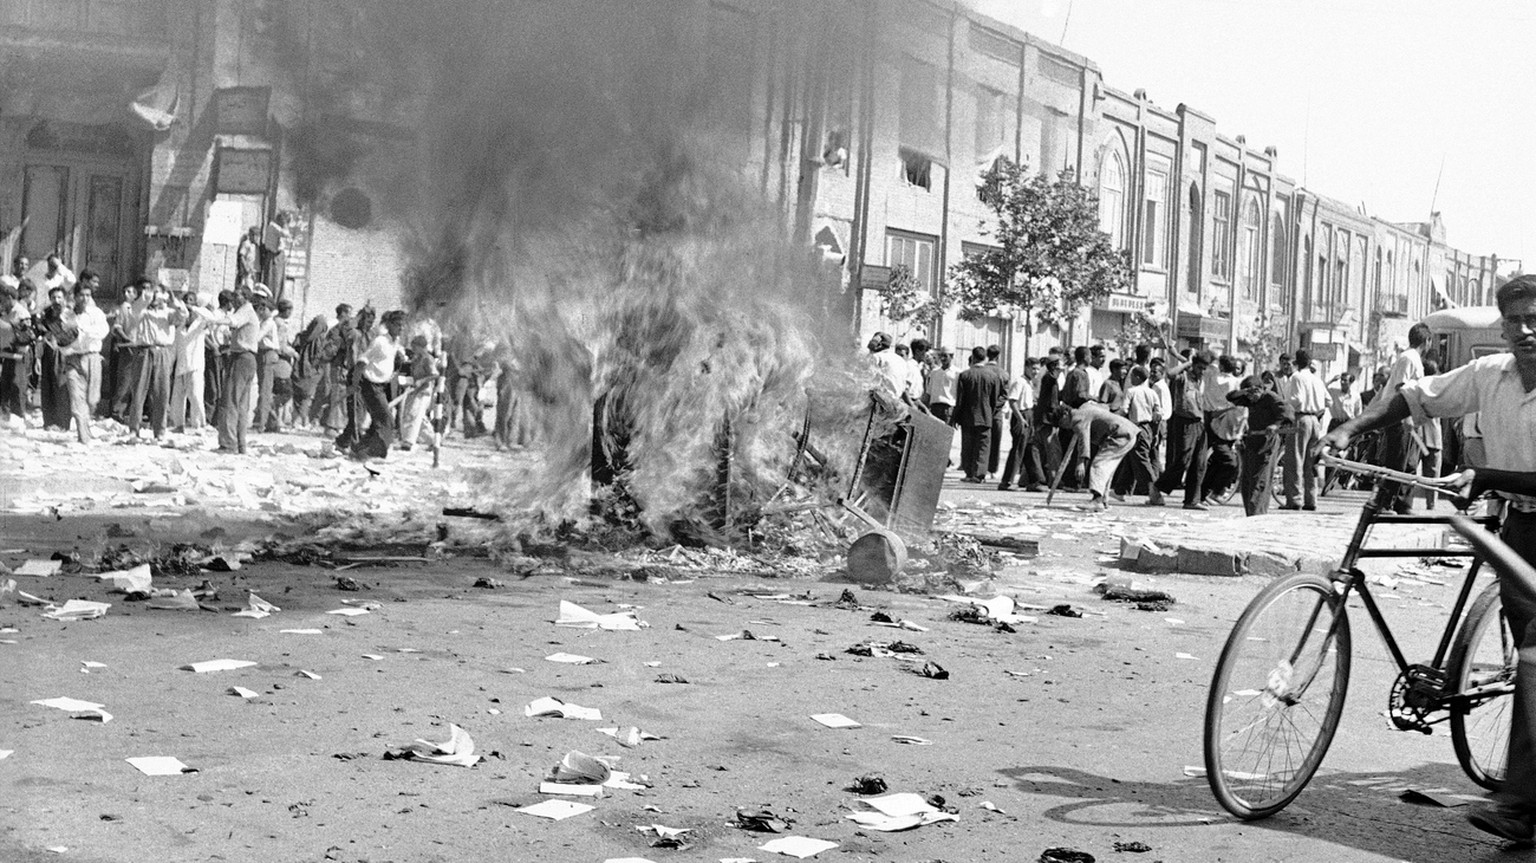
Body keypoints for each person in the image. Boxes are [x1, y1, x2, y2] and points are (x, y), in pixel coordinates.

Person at [1321, 275, 1536, 842]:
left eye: (1535, 317)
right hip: (1519, 528)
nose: (1526, 330)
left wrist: (1483, 474)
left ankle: (1520, 808)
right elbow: (1416, 397)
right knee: (1533, 662)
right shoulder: (1491, 375)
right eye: (1514, 319)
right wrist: (1351, 427)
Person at [197, 288, 260, 454]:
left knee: (229, 401)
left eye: (238, 295)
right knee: (241, 404)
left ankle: (228, 443)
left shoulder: (245, 311)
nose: (235, 298)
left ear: (245, 297)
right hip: (247, 358)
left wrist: (214, 319)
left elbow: (233, 322)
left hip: (241, 357)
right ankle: (240, 443)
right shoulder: (246, 311)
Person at [1377, 323, 1431, 513]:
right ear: (1427, 341)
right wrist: (1407, 417)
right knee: (1396, 461)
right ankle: (1384, 502)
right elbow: (1402, 387)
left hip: (1409, 418)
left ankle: (1403, 503)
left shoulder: (1413, 358)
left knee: (1409, 463)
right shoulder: (1408, 358)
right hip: (1400, 418)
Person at [1227, 372, 1294, 516]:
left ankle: (1257, 514)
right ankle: (1250, 513)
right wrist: (1245, 391)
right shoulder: (1250, 399)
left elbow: (1287, 413)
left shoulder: (1270, 397)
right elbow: (1231, 397)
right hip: (1252, 441)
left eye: (1254, 393)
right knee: (1248, 480)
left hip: (1267, 442)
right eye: (1248, 395)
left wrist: (1276, 425)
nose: (1251, 398)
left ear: (1261, 389)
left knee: (1260, 479)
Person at [123, 282, 183, 443]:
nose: (155, 296)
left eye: (158, 293)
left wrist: (173, 300)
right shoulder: (142, 309)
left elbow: (182, 316)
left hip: (163, 352)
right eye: (153, 293)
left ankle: (159, 430)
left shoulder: (168, 313)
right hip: (144, 350)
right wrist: (147, 297)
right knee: (139, 391)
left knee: (161, 392)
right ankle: (134, 429)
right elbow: (135, 312)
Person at [1153, 350, 1211, 510]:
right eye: (1199, 368)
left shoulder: (1201, 380)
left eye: (1204, 368)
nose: (1202, 371)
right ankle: (1158, 486)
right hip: (1184, 421)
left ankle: (1192, 500)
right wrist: (1187, 362)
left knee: (1199, 463)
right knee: (1183, 459)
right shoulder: (1183, 377)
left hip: (1199, 422)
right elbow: (1169, 374)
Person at [1059, 403, 1141, 511]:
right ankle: (1104, 499)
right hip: (1129, 432)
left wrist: (1081, 462)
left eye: (1062, 423)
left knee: (1099, 464)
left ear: (1065, 414)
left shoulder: (1077, 418)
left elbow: (1084, 440)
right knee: (1108, 467)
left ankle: (1097, 500)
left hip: (1120, 434)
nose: (1065, 427)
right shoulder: (1085, 407)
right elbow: (1104, 408)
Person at [351, 310, 407, 459]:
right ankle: (374, 452)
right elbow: (362, 361)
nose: (400, 328)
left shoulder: (395, 342)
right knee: (387, 419)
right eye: (397, 325)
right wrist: (354, 383)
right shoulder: (380, 341)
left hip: (382, 386)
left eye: (402, 326)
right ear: (389, 325)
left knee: (378, 420)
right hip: (370, 385)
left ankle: (360, 448)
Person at [1280, 348, 1331, 511]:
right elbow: (1328, 401)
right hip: (1315, 420)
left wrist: (1285, 409)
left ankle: (1294, 499)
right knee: (1311, 461)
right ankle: (1311, 498)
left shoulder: (1297, 377)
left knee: (1295, 459)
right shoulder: (1317, 379)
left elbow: (1296, 399)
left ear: (1296, 361)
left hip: (1300, 418)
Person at [1110, 365, 1164, 506]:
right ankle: (1120, 490)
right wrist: (1156, 432)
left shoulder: (1131, 391)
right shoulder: (1152, 393)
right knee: (1130, 459)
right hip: (1148, 428)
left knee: (1141, 459)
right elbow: (1158, 413)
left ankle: (1155, 492)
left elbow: (1124, 410)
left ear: (1137, 377)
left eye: (1132, 376)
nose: (1130, 379)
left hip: (1136, 427)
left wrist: (1111, 417)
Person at [953, 346, 1003, 483]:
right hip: (986, 415)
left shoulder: (964, 375)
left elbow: (960, 399)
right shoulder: (993, 376)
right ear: (985, 357)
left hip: (968, 416)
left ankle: (969, 473)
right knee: (983, 446)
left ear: (973, 357)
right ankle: (979, 474)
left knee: (968, 445)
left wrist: (956, 417)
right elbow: (995, 398)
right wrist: (990, 412)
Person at [1200, 354, 1244, 505]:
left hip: (1212, 418)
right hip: (1225, 424)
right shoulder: (1235, 383)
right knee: (1228, 461)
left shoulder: (1212, 378)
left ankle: (1204, 492)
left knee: (1217, 461)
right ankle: (1216, 491)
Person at [997, 356, 1046, 492]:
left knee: (1030, 449)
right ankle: (1006, 482)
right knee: (1018, 449)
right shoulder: (1019, 382)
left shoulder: (1029, 383)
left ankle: (1036, 480)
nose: (1035, 372)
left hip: (1029, 415)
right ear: (1026, 368)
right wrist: (1020, 419)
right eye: (1033, 369)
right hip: (1021, 416)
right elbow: (1012, 401)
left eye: (1037, 369)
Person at [169, 292, 210, 431]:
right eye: (185, 300)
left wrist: (193, 308)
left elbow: (210, 316)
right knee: (177, 397)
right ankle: (178, 424)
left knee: (196, 396)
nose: (187, 302)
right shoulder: (180, 324)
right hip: (181, 364)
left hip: (195, 364)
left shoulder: (200, 322)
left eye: (191, 300)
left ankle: (198, 424)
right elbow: (175, 345)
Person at [70, 278, 109, 417]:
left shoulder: (96, 313)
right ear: (75, 297)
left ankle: (86, 423)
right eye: (81, 295)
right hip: (73, 358)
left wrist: (83, 329)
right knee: (76, 396)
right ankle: (82, 432)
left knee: (92, 399)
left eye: (88, 295)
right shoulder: (68, 315)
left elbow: (103, 331)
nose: (85, 298)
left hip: (92, 357)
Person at [0, 284, 29, 427]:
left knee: (17, 385)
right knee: (5, 384)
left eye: (2, 299)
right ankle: (5, 417)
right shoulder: (6, 312)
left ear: (9, 298)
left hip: (19, 353)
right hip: (7, 352)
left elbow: (24, 336)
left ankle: (19, 416)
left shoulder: (21, 313)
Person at [924, 349, 958, 424]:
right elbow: (928, 393)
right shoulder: (934, 372)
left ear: (951, 356)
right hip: (934, 408)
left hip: (948, 409)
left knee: (946, 433)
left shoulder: (957, 373)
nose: (942, 358)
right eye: (940, 356)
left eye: (945, 356)